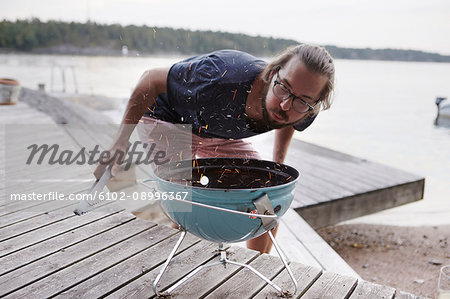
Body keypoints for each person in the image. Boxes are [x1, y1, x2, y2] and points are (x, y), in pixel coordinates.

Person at [95, 44, 335, 254]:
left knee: (265, 202)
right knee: (183, 205)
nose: (285, 104)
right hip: (169, 118)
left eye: (302, 101)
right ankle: (179, 270)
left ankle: (261, 266)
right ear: (273, 73)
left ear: (314, 104)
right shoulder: (221, 75)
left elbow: (290, 120)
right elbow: (151, 79)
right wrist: (119, 145)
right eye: (283, 88)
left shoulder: (304, 105)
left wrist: (276, 168)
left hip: (220, 132)